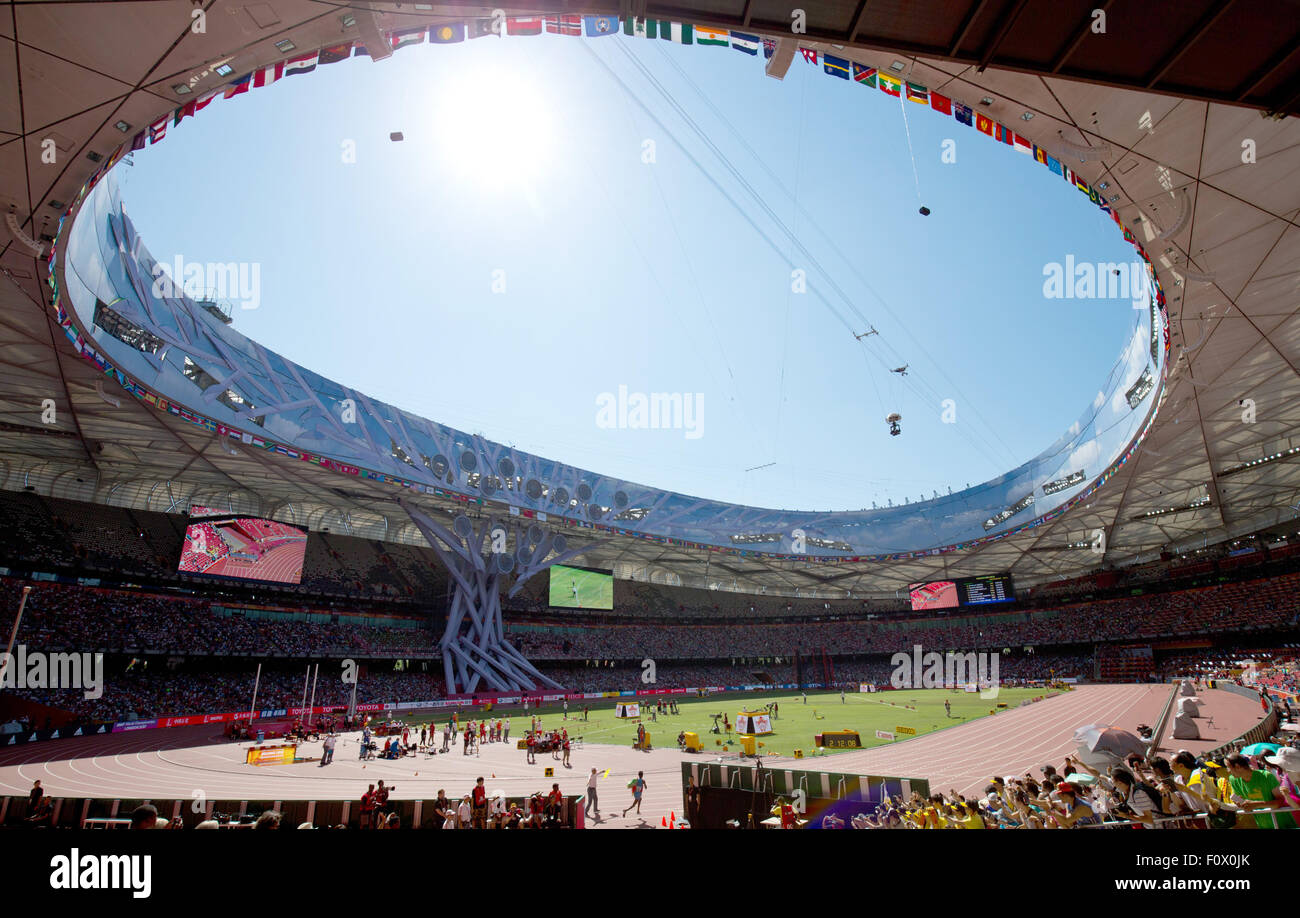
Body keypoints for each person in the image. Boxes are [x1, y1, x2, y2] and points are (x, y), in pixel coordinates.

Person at [1226, 753, 1296, 828]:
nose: (1228, 771)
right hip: (1263, 825)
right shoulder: (1233, 780)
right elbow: (1242, 802)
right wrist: (1241, 804)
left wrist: (1256, 804)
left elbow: (1281, 802)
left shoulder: (1266, 776)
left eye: (1228, 767)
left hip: (1283, 824)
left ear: (1237, 766)